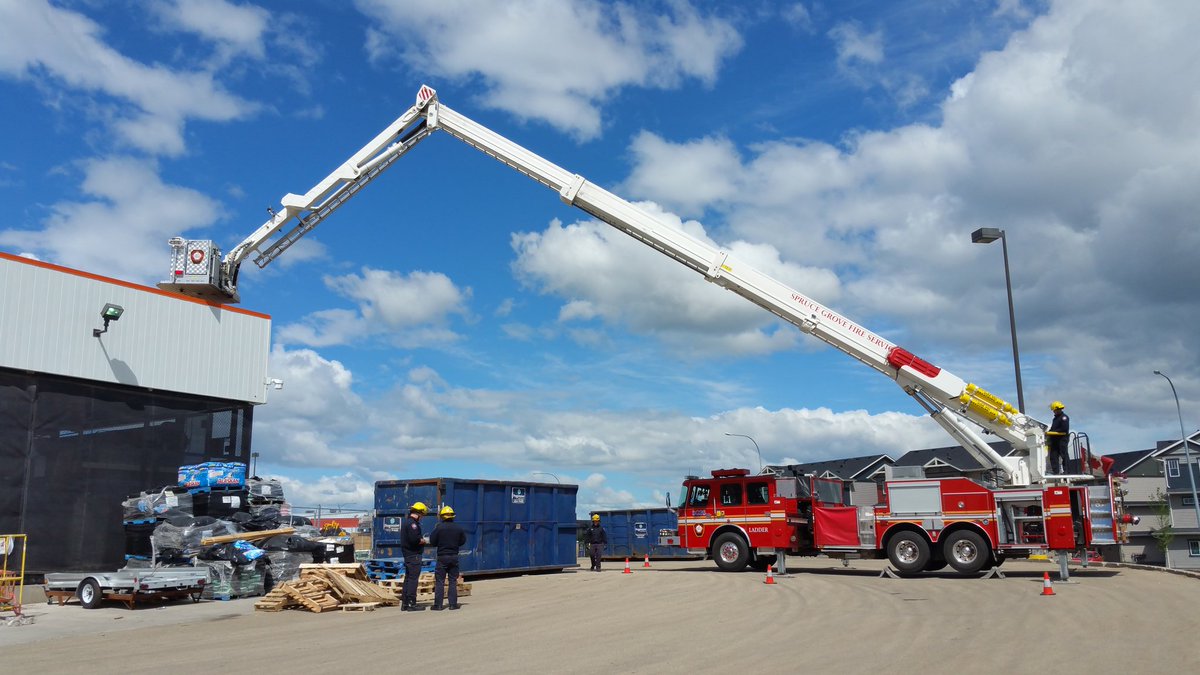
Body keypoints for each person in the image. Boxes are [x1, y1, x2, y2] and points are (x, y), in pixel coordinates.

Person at [429, 505, 467, 610]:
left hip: (442, 557)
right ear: (452, 517)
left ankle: (438, 605)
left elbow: (432, 541)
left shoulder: (439, 528)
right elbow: (463, 541)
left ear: (442, 517)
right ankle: (453, 604)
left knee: (440, 581)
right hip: (454, 556)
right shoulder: (458, 528)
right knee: (452, 581)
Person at [400, 501, 428, 611]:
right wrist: (423, 540)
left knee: (408, 578)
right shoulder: (413, 524)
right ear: (419, 513)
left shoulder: (406, 522)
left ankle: (405, 603)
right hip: (414, 555)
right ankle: (412, 603)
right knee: (413, 579)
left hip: (408, 555)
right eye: (422, 515)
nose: (422, 518)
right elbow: (415, 540)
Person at [1046, 400, 1070, 475]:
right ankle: (1055, 472)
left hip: (1062, 439)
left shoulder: (1064, 417)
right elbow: (1053, 428)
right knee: (1053, 456)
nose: (1054, 412)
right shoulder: (1055, 419)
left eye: (1054, 410)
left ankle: (1067, 471)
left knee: (1064, 455)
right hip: (1055, 440)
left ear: (1059, 409)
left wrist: (1052, 432)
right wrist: (1048, 432)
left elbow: (1064, 428)